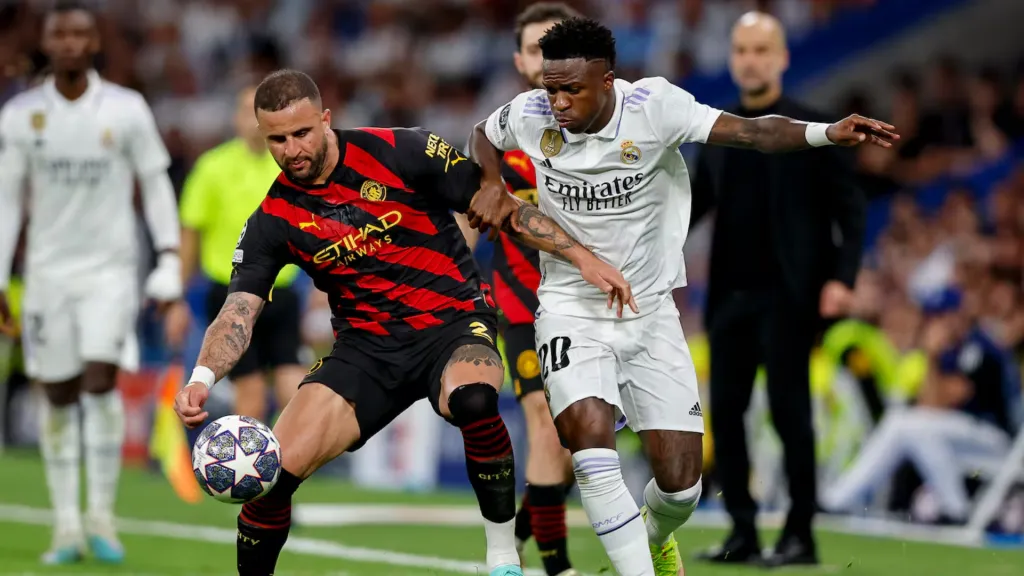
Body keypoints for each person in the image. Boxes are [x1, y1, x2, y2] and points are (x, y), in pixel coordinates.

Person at [467, 17, 896, 576]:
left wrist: (825, 132)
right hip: (571, 306)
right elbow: (482, 134)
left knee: (681, 485)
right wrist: (490, 182)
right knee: (591, 446)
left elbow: (754, 133)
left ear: (608, 80)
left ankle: (654, 536)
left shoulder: (654, 107)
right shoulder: (530, 113)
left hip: (650, 312)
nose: (559, 102)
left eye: (573, 88)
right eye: (551, 88)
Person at [172, 69, 635, 576]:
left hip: (454, 323)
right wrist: (201, 377)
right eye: (277, 140)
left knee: (474, 400)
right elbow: (239, 311)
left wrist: (583, 258)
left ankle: (503, 555)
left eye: (301, 133)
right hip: (366, 350)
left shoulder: (402, 151)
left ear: (326, 120)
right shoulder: (275, 217)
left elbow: (498, 206)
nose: (291, 149)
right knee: (271, 480)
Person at [0, 2, 181, 565]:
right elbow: (7, 201)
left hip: (111, 269)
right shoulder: (21, 115)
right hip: (48, 274)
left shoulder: (126, 109)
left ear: (94, 41)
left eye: (81, 33)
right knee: (57, 392)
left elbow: (155, 185)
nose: (72, 42)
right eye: (62, 34)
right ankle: (66, 527)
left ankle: (102, 518)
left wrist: (169, 259)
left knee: (100, 379)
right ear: (48, 42)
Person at [688, 12, 866, 566]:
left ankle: (800, 534)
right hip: (729, 298)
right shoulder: (716, 131)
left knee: (791, 416)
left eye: (762, 49)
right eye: (742, 49)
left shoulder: (812, 127)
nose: (751, 59)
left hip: (789, 295)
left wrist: (841, 278)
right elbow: (693, 207)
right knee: (729, 415)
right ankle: (742, 530)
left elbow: (851, 209)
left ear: (782, 57)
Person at [456, 4, 582, 574]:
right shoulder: (496, 138)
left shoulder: (609, 125)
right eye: (535, 49)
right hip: (523, 300)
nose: (544, 60)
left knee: (580, 444)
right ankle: (557, 565)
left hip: (592, 300)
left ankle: (527, 531)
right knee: (546, 428)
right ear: (518, 59)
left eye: (554, 48)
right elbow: (467, 222)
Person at [165, 86, 306, 422]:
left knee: (295, 391)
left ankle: (280, 466)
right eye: (249, 111)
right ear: (237, 118)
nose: (256, 121)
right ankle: (258, 469)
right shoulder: (212, 168)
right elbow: (189, 237)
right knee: (252, 395)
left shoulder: (289, 165)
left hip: (282, 291)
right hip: (232, 294)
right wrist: (177, 299)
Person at [821, 288, 1016, 524]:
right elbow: (926, 405)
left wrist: (930, 355)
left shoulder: (979, 348)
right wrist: (932, 355)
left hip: (997, 438)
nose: (935, 323)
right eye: (932, 316)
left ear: (957, 316)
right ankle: (836, 501)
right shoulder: (951, 350)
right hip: (957, 435)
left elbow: (941, 402)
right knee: (905, 424)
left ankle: (955, 509)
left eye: (941, 316)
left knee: (909, 423)